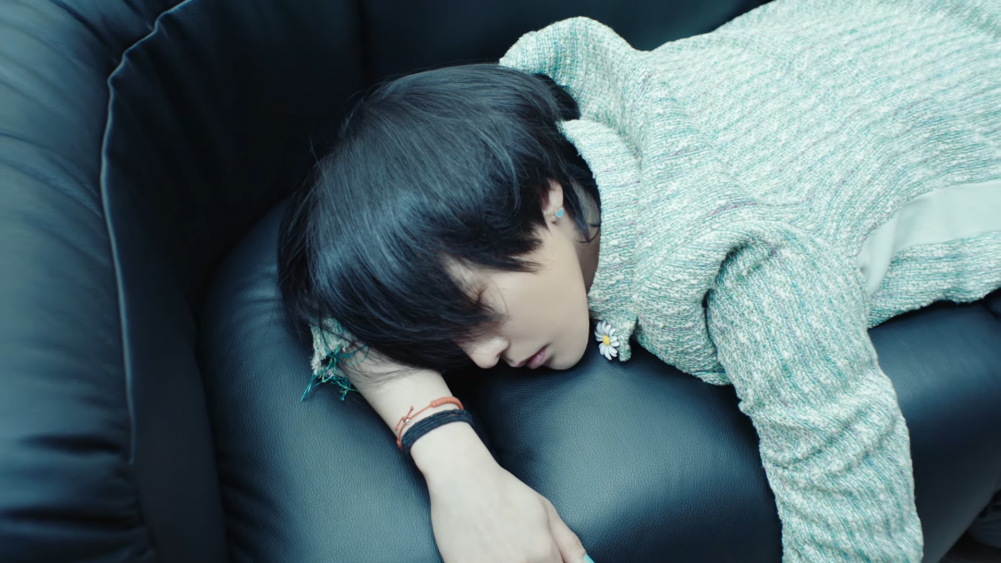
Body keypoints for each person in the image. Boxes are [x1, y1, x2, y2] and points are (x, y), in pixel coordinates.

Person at [277, 0, 1001, 561]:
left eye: (476, 309)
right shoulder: (524, 117)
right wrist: (452, 458)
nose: (482, 356)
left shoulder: (740, 258)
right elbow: (336, 310)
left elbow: (855, 516)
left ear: (544, 202)